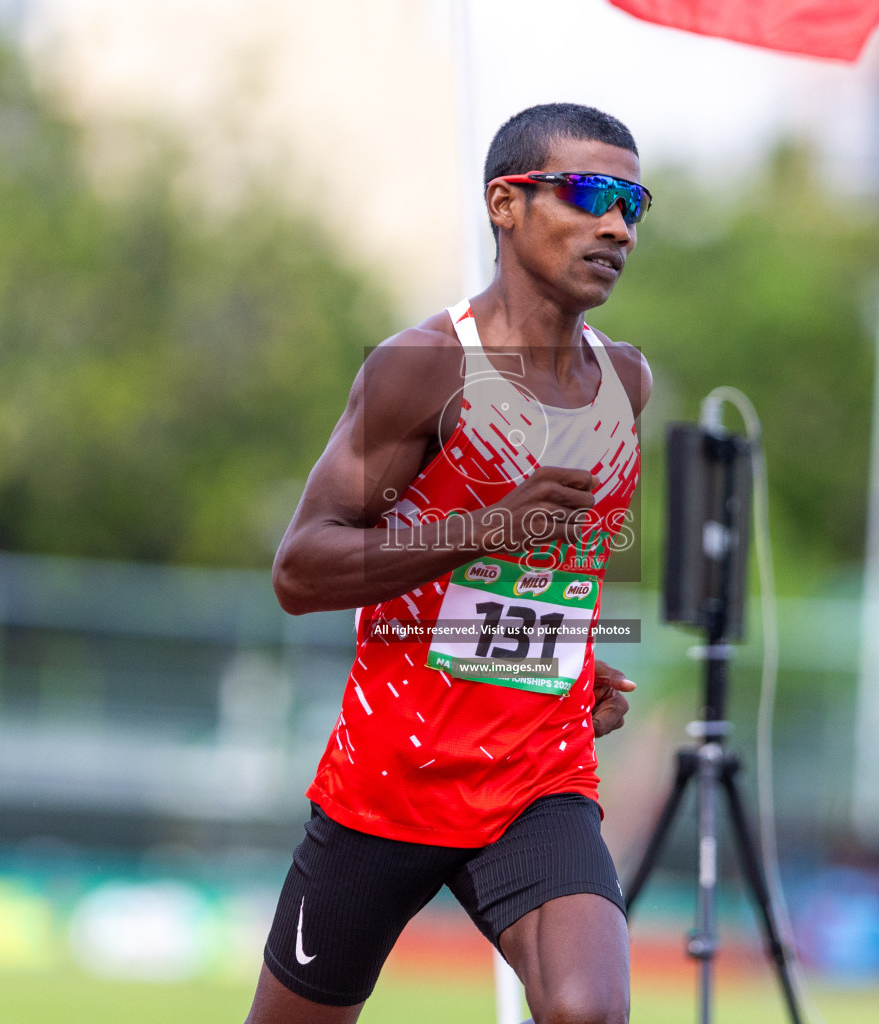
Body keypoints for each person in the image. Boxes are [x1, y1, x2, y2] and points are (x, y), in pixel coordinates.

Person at [250, 102, 653, 1024]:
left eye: (634, 205)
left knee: (588, 1012)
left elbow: (548, 582)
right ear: (505, 204)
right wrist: (479, 527)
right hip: (391, 778)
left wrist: (571, 668)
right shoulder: (422, 365)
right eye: (589, 194)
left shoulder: (627, 381)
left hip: (536, 777)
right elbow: (300, 572)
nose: (617, 227)